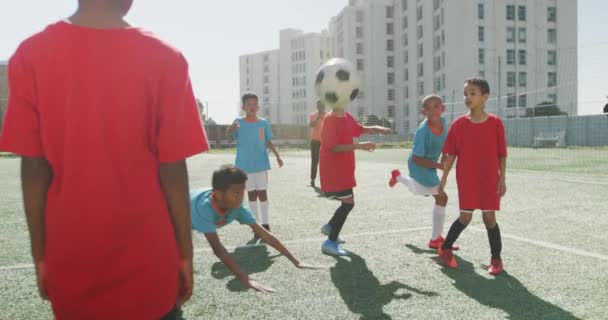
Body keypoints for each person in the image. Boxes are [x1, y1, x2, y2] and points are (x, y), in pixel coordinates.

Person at [0, 1, 209, 319]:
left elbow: (34, 170)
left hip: (70, 257)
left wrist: (41, 255)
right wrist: (184, 255)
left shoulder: (30, 54)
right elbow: (172, 170)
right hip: (150, 261)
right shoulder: (166, 57)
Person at [190, 165, 317, 293]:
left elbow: (264, 234)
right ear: (218, 194)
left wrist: (296, 261)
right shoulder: (203, 209)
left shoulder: (238, 207)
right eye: (236, 193)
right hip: (175, 214)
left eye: (242, 191)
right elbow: (217, 249)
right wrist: (246, 279)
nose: (241, 197)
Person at [437, 78, 507, 275]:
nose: (467, 97)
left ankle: (496, 258)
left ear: (485, 97)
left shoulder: (495, 123)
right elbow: (450, 156)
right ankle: (446, 248)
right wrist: (443, 180)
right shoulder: (459, 125)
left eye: (473, 93)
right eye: (465, 93)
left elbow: (502, 154)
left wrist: (502, 179)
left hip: (489, 178)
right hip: (467, 178)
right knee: (465, 217)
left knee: (489, 218)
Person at [319, 100, 391, 256]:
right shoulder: (330, 119)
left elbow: (358, 129)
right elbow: (333, 147)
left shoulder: (348, 116)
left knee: (348, 202)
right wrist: (360, 146)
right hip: (334, 170)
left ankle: (331, 227)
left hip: (344, 169)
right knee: (348, 202)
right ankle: (330, 241)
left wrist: (375, 128)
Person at [389, 95, 458, 250]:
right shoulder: (422, 131)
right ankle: (435, 240)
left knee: (424, 191)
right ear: (423, 112)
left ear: (443, 108)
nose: (433, 110)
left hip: (430, 165)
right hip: (418, 164)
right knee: (441, 197)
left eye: (436, 106)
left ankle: (398, 177)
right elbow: (417, 158)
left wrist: (445, 156)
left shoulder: (444, 123)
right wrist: (440, 166)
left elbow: (446, 142)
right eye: (428, 108)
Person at [227, 92, 283, 234]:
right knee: (251, 194)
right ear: (243, 107)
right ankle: (256, 224)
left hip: (261, 164)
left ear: (258, 107)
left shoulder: (263, 123)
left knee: (262, 193)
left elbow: (267, 141)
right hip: (244, 166)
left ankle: (265, 223)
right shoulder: (238, 122)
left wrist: (277, 156)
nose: (252, 107)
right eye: (248, 104)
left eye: (254, 104)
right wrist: (229, 131)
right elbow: (229, 140)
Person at [309, 100, 326, 187]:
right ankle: (312, 179)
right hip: (315, 141)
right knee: (314, 160)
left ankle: (325, 180)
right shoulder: (313, 115)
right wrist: (318, 117)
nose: (321, 107)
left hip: (325, 142)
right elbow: (311, 125)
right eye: (319, 106)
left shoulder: (328, 115)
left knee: (325, 161)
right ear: (317, 106)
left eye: (322, 105)